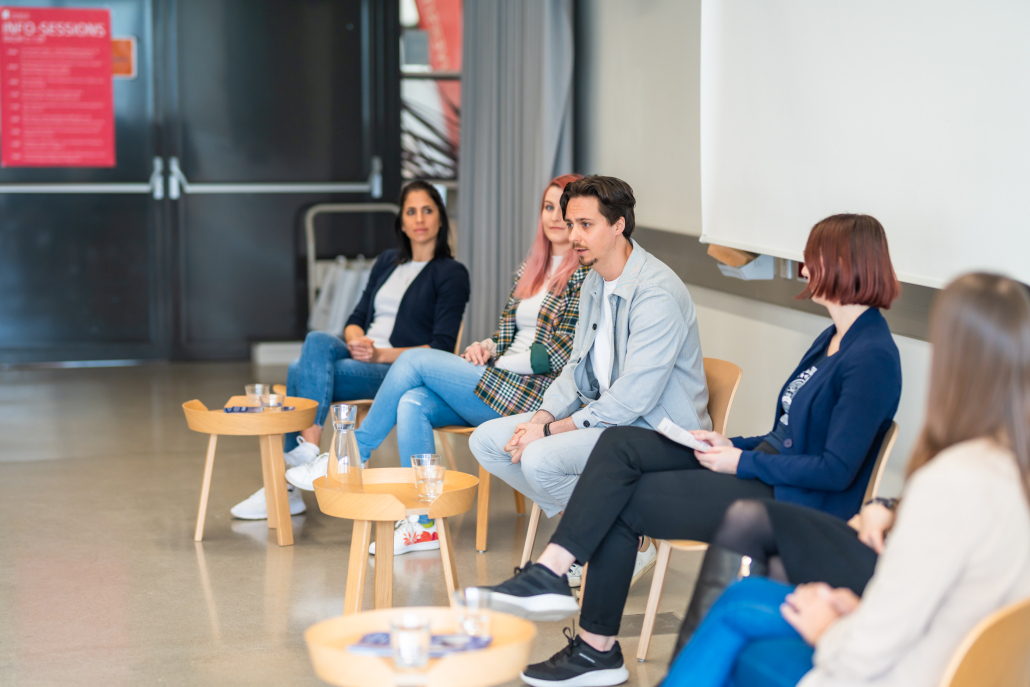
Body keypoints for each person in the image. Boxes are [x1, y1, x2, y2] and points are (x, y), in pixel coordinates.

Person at [480, 214, 903, 687]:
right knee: (620, 443)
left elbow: (836, 470)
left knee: (622, 503)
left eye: (813, 259)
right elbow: (786, 434)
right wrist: (729, 443)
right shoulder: (834, 338)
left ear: (846, 264)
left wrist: (740, 460)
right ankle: (552, 573)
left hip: (793, 501)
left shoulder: (872, 356)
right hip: (764, 468)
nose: (803, 269)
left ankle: (594, 647)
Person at [664, 273, 1030, 687]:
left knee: (738, 638)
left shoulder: (950, 482)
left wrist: (830, 627)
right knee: (743, 598)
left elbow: (862, 658)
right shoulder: (1008, 470)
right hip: (936, 654)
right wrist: (857, 605)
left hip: (893, 671)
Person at [285, 175, 590, 555]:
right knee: (412, 401)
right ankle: (422, 521)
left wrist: (498, 361)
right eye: (548, 207)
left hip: (536, 393)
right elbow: (506, 332)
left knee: (413, 360)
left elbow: (557, 354)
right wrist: (485, 346)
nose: (555, 217)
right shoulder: (531, 267)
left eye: (563, 209)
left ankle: (351, 456)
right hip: (501, 380)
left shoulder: (584, 275)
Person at [470, 174, 712, 585]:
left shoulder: (656, 293)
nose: (573, 236)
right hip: (611, 421)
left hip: (658, 432)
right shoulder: (595, 281)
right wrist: (539, 418)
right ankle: (617, 538)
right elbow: (575, 368)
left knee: (540, 457)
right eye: (570, 224)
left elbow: (633, 399)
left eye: (586, 225)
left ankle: (615, 539)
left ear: (618, 224)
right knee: (488, 441)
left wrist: (548, 431)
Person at [230, 180, 469, 520]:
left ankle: (286, 484)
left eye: (428, 210)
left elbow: (441, 348)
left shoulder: (451, 273)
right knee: (315, 341)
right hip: (364, 357)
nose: (419, 219)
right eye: (411, 211)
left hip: (397, 369)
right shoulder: (388, 261)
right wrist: (358, 340)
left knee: (300, 370)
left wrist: (379, 355)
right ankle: (310, 450)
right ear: (401, 221)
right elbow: (356, 317)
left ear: (441, 219)